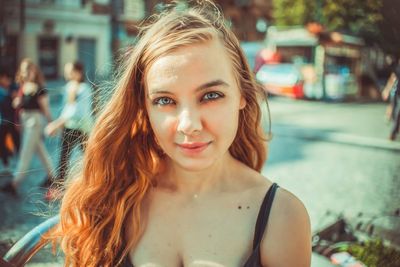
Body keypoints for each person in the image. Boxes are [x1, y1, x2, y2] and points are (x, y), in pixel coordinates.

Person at [50, 1, 311, 266]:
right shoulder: (114, 199)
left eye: (211, 96)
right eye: (165, 100)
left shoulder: (281, 217)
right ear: (144, 107)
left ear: (243, 94)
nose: (189, 125)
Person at [0, 59, 54, 197]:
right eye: (25, 71)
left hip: (35, 122)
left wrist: (52, 123)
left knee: (25, 153)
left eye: (30, 70)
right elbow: (18, 106)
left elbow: (45, 109)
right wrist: (18, 103)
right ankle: (53, 177)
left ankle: (15, 183)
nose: (27, 73)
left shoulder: (39, 87)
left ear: (35, 71)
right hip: (25, 121)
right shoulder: (22, 87)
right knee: (41, 151)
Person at [44, 61, 93, 198]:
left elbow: (77, 111)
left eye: (70, 72)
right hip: (69, 127)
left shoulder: (84, 89)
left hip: (83, 128)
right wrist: (60, 123)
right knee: (63, 158)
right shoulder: (68, 87)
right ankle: (59, 188)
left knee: (90, 157)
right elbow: (66, 109)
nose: (67, 75)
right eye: (67, 72)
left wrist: (57, 124)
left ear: (79, 73)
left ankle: (96, 183)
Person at [0, 69, 20, 174]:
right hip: (3, 121)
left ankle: (18, 163)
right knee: (2, 143)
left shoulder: (13, 88)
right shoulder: (2, 91)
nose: (6, 80)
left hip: (12, 121)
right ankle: (6, 164)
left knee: (16, 141)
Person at [382, 60, 400, 141]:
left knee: (397, 113)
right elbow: (392, 79)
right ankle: (394, 130)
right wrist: (386, 90)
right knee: (394, 112)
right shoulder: (397, 69)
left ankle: (393, 132)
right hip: (396, 93)